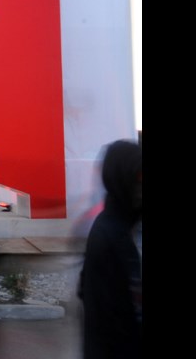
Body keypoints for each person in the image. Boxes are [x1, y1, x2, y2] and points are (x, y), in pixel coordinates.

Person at [79, 139, 142, 359]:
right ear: (122, 179)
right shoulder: (107, 235)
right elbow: (107, 318)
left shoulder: (128, 225)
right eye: (138, 178)